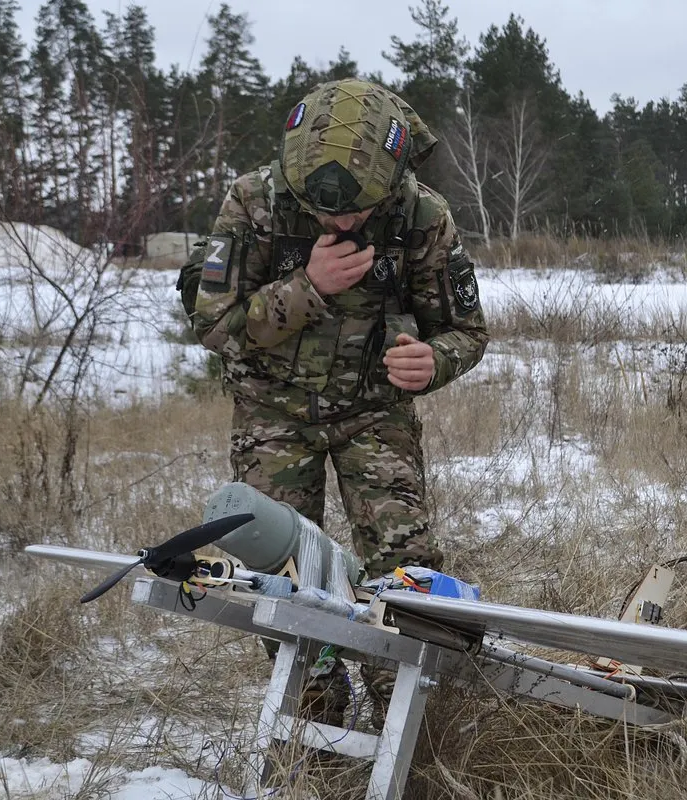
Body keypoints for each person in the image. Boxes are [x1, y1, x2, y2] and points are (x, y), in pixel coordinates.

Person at [176, 78, 489, 724]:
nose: (339, 223)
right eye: (323, 214)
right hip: (273, 414)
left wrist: (434, 361)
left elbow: (467, 331)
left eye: (354, 212)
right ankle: (315, 706)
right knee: (275, 569)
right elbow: (212, 324)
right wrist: (307, 286)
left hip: (373, 413)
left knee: (406, 572)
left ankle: (406, 711)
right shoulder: (255, 202)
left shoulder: (421, 218)